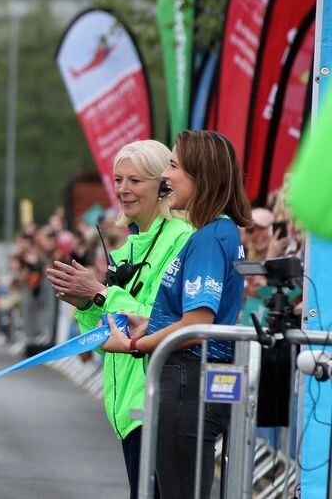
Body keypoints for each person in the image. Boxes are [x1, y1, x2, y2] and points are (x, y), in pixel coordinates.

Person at [103, 130, 252, 499]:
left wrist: (134, 345)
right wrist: (150, 324)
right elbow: (190, 318)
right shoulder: (213, 233)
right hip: (187, 380)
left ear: (200, 174)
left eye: (173, 166)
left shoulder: (209, 238)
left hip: (189, 382)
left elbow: (197, 326)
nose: (166, 177)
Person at [46, 140, 193, 499]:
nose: (123, 189)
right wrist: (86, 305)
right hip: (129, 407)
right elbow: (108, 337)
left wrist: (100, 292)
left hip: (159, 401)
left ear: (163, 185)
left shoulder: (182, 240)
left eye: (135, 180)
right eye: (118, 179)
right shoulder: (126, 249)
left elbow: (157, 320)